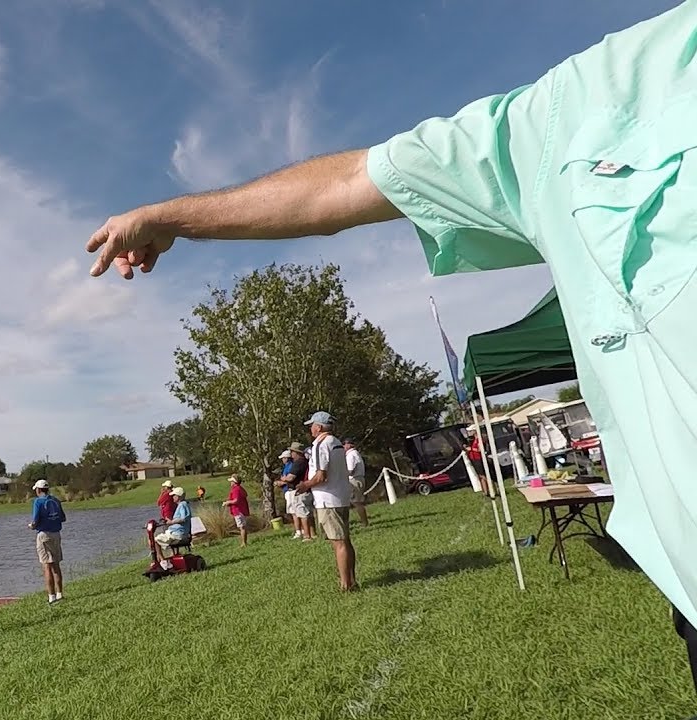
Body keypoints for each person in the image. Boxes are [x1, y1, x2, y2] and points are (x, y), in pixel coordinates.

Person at [84, 4, 697, 684]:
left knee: (336, 535)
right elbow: (348, 184)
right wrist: (169, 216)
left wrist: (309, 483)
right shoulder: (573, 107)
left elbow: (324, 469)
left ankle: (346, 587)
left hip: (331, 502)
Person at [293, 412, 357, 591]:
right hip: (341, 496)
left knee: (338, 542)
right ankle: (351, 579)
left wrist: (306, 484)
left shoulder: (320, 445)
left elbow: (321, 475)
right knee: (345, 540)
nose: (310, 428)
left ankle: (346, 584)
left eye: (312, 425)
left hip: (328, 500)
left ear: (319, 427)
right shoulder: (336, 442)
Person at [28, 479, 67, 604]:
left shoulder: (38, 502)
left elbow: (35, 521)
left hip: (44, 534)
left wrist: (31, 526)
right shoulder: (55, 500)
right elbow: (63, 518)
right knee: (56, 565)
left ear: (39, 490)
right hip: (56, 534)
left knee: (46, 566)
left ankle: (51, 596)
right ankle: (60, 593)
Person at [276, 442, 313, 541]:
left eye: (292, 451)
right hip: (307, 488)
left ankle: (307, 536)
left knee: (302, 513)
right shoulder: (305, 461)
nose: (291, 454)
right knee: (308, 513)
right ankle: (312, 534)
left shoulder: (298, 463)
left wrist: (283, 479)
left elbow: (291, 477)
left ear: (296, 452)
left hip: (300, 490)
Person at [153, 486, 192, 554]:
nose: (172, 497)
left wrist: (171, 522)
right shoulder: (182, 504)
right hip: (177, 532)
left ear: (178, 496)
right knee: (159, 538)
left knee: (155, 541)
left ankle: (163, 561)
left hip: (178, 533)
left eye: (174, 495)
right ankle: (167, 558)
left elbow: (183, 519)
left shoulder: (182, 505)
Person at [343, 438, 370, 528]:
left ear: (348, 445)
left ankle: (364, 523)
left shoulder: (351, 455)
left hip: (354, 480)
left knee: (357, 502)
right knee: (356, 502)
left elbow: (350, 470)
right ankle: (364, 522)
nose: (343, 447)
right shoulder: (355, 454)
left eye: (344, 445)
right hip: (358, 478)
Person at [222, 474, 251, 547]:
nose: (230, 483)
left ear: (234, 482)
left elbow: (236, 500)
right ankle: (244, 542)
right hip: (241, 510)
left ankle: (244, 543)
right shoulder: (240, 488)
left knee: (242, 527)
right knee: (242, 526)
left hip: (238, 510)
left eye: (231, 481)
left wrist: (227, 502)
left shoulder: (236, 489)